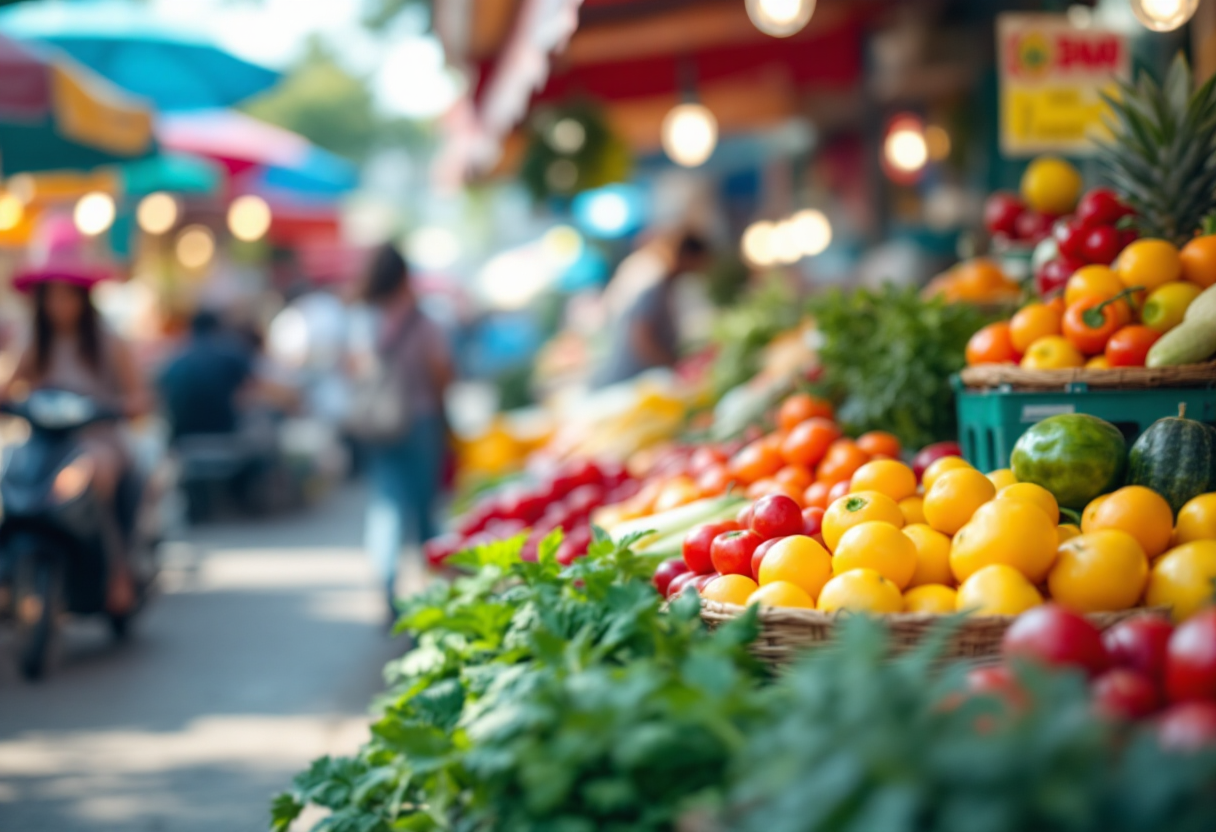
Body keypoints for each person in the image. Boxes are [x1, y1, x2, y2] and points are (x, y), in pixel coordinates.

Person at [0, 217, 151, 614]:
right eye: (51, 296)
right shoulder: (34, 341)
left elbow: (139, 397)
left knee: (88, 477)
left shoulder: (107, 339)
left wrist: (119, 407)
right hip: (44, 439)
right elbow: (10, 384)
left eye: (67, 296)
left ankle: (118, 571)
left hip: (99, 440)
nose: (58, 305)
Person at [356, 243, 454, 619]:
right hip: (421, 420)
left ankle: (388, 585)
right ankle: (436, 594)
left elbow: (354, 368)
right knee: (425, 509)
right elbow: (442, 370)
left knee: (387, 504)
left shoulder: (365, 320)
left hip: (379, 424)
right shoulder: (421, 321)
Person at [597, 231, 711, 387]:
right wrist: (674, 365)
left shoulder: (667, 289)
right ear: (687, 257)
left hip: (642, 381)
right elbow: (640, 340)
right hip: (630, 381)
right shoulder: (654, 289)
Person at [157, 310, 253, 442]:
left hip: (184, 435)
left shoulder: (176, 360)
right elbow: (249, 389)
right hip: (224, 431)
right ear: (217, 328)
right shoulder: (231, 353)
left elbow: (163, 393)